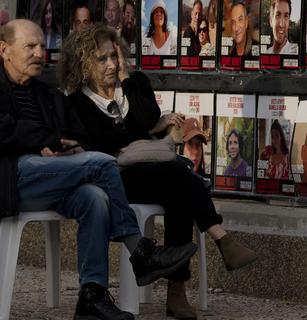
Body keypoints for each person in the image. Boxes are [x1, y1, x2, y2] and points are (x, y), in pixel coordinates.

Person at [0, 19, 198, 320]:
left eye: (42, 45)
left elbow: (72, 133)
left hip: (53, 178)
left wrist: (68, 147)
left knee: (95, 198)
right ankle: (141, 252)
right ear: (4, 50)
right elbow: (7, 130)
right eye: (30, 46)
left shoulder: (48, 94)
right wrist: (50, 139)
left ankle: (91, 297)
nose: (40, 52)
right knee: (103, 161)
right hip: (12, 179)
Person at [58, 23, 257, 320]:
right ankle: (218, 238)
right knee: (181, 178)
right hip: (114, 179)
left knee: (179, 193)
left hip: (152, 174)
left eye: (114, 56)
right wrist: (131, 135)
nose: (112, 64)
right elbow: (96, 147)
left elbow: (149, 117)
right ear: (83, 64)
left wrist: (127, 79)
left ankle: (178, 292)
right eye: (102, 59)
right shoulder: (75, 103)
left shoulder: (133, 87)